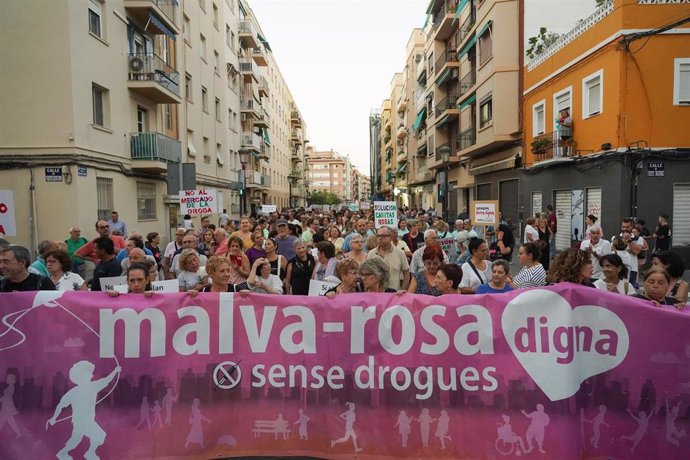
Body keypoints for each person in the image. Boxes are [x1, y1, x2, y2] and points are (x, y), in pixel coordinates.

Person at [368, 226, 411, 291]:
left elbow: (406, 274)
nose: (380, 238)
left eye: (383, 236)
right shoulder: (371, 254)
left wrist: (403, 290)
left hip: (394, 296)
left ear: (390, 237)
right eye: (378, 235)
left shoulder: (400, 253)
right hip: (376, 296)